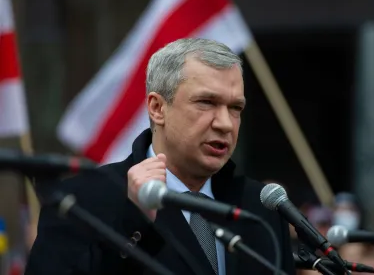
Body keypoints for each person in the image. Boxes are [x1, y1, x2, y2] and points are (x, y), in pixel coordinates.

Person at [25, 38, 296, 275]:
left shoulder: (262, 209)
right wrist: (135, 220)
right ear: (157, 108)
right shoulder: (79, 202)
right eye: (206, 102)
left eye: (235, 107)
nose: (225, 123)